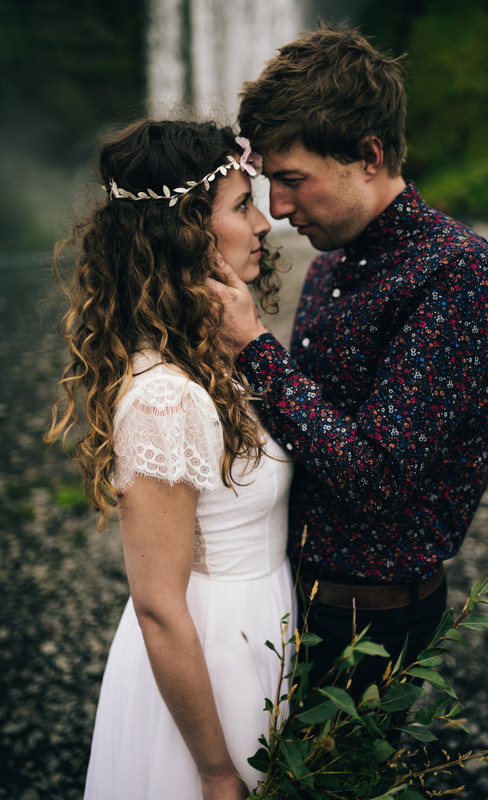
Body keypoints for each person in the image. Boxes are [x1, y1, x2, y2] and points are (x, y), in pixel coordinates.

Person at [207, 26, 488, 697]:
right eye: (267, 186)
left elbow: (378, 475)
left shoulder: (456, 274)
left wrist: (256, 349)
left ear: (369, 155)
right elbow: (304, 431)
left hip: (374, 624)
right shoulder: (331, 266)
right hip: (296, 595)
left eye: (292, 181)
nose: (279, 209)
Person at [45, 119, 296, 800]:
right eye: (243, 205)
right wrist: (215, 771)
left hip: (263, 634)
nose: (265, 224)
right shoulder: (164, 398)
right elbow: (158, 605)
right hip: (212, 667)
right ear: (186, 231)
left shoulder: (222, 358)